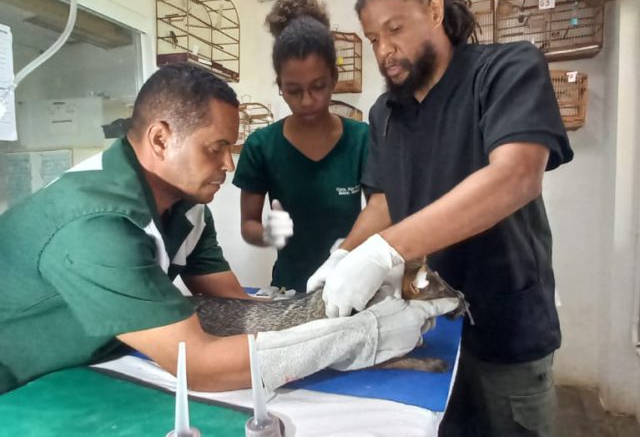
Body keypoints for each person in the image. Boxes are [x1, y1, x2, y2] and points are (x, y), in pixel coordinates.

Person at [0, 62, 446, 395]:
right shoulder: (96, 225)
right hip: (19, 384)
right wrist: (357, 338)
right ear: (160, 139)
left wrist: (336, 311)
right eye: (216, 149)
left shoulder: (188, 208)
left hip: (87, 359)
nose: (228, 165)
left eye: (231, 149)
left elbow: (235, 308)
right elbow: (198, 364)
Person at [308, 0, 574, 435]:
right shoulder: (385, 112)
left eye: (395, 30)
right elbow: (386, 199)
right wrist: (345, 253)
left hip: (506, 324)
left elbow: (515, 177)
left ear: (434, 10)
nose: (385, 51)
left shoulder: (506, 70)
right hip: (423, 325)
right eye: (373, 39)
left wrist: (385, 250)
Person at [232, 0, 369, 292]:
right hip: (290, 290)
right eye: (293, 90)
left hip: (350, 286)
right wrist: (267, 234)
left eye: (318, 87)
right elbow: (248, 225)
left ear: (333, 77)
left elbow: (381, 211)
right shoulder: (261, 146)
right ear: (280, 85)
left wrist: (354, 247)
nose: (307, 101)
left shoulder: (361, 140)